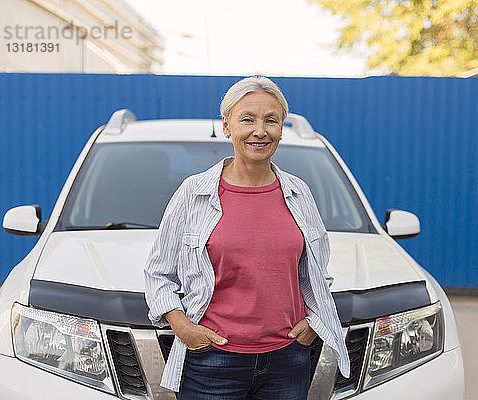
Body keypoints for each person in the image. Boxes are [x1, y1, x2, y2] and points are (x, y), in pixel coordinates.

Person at [143, 75, 350, 399]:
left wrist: (312, 326)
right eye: (247, 119)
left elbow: (317, 271)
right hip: (212, 360)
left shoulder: (299, 193)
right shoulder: (193, 194)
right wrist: (184, 328)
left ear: (281, 128)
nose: (260, 131)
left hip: (288, 360)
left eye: (271, 120)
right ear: (227, 126)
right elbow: (158, 273)